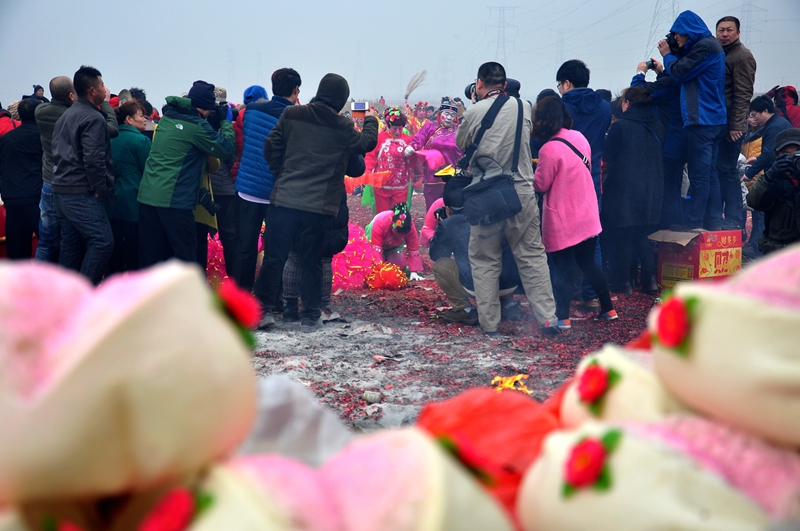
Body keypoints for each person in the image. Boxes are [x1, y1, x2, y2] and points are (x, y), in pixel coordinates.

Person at [254, 73, 378, 330]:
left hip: (284, 200)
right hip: (318, 207)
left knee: (275, 258)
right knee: (312, 261)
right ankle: (310, 316)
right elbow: (366, 143)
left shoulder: (292, 114)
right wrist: (370, 120)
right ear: (341, 99)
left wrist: (282, 173)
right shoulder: (342, 126)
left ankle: (262, 311)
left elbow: (271, 146)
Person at [456, 61, 558, 336]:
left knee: (485, 259)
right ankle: (547, 319)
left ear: (479, 83)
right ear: (504, 84)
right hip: (522, 191)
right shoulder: (524, 106)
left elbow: (461, 143)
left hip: (487, 195)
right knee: (532, 256)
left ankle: (489, 323)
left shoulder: (474, 112)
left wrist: (475, 107)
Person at [532, 96, 616, 329]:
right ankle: (608, 308)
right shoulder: (579, 137)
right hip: (587, 212)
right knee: (588, 263)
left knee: (564, 270)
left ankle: (563, 318)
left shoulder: (548, 149)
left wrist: (534, 171)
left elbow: (541, 184)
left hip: (563, 218)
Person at [137, 80, 234, 267]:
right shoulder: (196, 126)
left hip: (148, 196)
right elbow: (226, 148)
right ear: (206, 107)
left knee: (152, 257)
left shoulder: (167, 118)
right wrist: (226, 122)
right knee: (186, 257)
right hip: (175, 200)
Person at [658, 10, 727, 230]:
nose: (675, 39)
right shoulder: (709, 46)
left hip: (702, 120)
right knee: (710, 173)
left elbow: (679, 71)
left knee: (699, 175)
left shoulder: (705, 47)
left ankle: (694, 221)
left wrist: (667, 55)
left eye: (677, 34)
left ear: (688, 31)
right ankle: (713, 221)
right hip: (713, 119)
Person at [233, 70, 299, 291]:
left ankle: (242, 294)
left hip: (247, 190)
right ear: (296, 90)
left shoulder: (250, 111)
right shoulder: (293, 117)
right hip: (276, 193)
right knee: (275, 248)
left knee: (245, 246)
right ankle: (271, 297)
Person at [51, 66, 117, 285]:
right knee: (102, 241)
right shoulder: (93, 117)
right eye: (102, 85)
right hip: (81, 190)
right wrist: (100, 188)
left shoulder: (67, 115)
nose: (104, 89)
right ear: (92, 90)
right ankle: (84, 292)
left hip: (61, 187)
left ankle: (65, 295)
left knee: (71, 244)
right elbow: (93, 159)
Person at [556, 59, 611, 312]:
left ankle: (562, 297)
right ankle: (591, 295)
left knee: (560, 237)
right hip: (593, 176)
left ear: (567, 83)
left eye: (560, 85)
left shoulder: (562, 107)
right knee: (592, 236)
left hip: (564, 178)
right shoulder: (604, 107)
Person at [602, 87, 665, 294]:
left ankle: (623, 283)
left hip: (624, 188)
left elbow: (608, 156)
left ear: (627, 104)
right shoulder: (658, 125)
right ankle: (650, 280)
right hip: (652, 188)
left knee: (623, 235)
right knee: (642, 234)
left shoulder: (620, 126)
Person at [430, 189, 522, 326]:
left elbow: (436, 255)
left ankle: (465, 310)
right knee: (498, 257)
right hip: (511, 283)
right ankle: (509, 304)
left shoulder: (450, 224)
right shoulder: (492, 211)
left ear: (448, 209)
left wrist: (444, 227)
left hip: (478, 286)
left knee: (440, 265)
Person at [631, 57, 687, 228]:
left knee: (666, 192)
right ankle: (675, 229)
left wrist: (640, 73)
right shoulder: (678, 82)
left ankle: (667, 232)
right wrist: (662, 73)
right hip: (677, 145)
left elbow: (637, 94)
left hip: (667, 146)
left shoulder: (671, 82)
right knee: (674, 191)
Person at [715, 15, 757, 230]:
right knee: (718, 170)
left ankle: (733, 219)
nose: (724, 34)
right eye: (721, 30)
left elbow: (743, 94)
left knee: (727, 170)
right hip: (718, 122)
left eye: (729, 30)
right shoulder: (720, 53)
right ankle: (722, 218)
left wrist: (737, 125)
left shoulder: (742, 56)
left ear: (738, 33)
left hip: (731, 125)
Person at [33, 76, 79, 263]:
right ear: (71, 95)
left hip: (48, 181)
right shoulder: (73, 115)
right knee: (70, 240)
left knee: (46, 240)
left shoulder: (40, 111)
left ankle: (37, 279)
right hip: (69, 183)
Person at [108, 100, 151, 273]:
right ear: (129, 119)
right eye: (141, 115)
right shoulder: (141, 140)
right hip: (134, 203)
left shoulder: (109, 138)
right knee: (135, 254)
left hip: (110, 203)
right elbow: (149, 172)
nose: (145, 119)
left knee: (115, 255)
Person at [746, 128, 800, 254]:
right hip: (780, 250)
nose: (792, 158)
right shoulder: (772, 180)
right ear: (777, 156)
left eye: (797, 152)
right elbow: (753, 202)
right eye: (786, 154)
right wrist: (770, 176)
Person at [0, 98, 42, 259]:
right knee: (48, 244)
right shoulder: (43, 137)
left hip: (12, 200)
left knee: (17, 251)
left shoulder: (5, 140)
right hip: (36, 198)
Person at [406, 98, 463, 211]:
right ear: (440, 114)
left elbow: (465, 149)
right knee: (433, 209)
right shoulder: (431, 126)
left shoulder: (459, 130)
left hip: (453, 176)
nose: (449, 118)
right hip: (433, 176)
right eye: (446, 114)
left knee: (452, 208)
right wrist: (412, 147)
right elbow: (419, 138)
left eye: (452, 115)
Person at [208, 86, 239, 279]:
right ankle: (235, 280)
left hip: (209, 189)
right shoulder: (231, 127)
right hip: (226, 190)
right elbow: (231, 155)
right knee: (230, 237)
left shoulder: (202, 124)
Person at [364, 107, 413, 214]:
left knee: (399, 216)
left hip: (401, 185)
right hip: (381, 185)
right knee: (382, 215)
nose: (397, 132)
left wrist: (412, 153)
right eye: (394, 128)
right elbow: (370, 156)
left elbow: (413, 160)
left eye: (400, 128)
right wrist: (367, 172)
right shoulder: (380, 138)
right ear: (388, 126)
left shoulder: (408, 140)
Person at [742, 96, 792, 184]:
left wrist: (749, 174)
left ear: (765, 111)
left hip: (781, 176)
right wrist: (757, 159)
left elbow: (769, 155)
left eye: (754, 114)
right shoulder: (779, 122)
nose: (755, 118)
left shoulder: (774, 128)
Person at [366, 202, 424, 274]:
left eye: (402, 234)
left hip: (393, 246)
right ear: (392, 223)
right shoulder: (380, 223)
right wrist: (379, 269)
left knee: (398, 267)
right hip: (374, 240)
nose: (399, 235)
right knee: (373, 265)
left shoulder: (410, 228)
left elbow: (413, 248)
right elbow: (376, 250)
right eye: (398, 232)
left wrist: (413, 272)